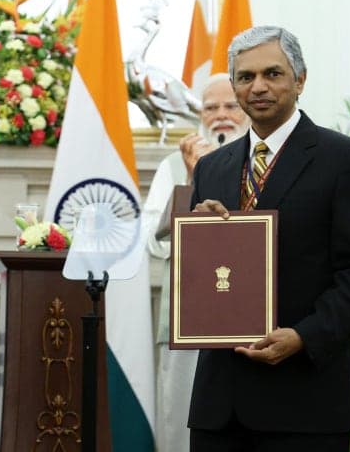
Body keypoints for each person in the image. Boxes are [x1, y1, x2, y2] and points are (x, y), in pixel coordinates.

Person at [187, 26, 350, 451]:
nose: (258, 87)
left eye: (272, 74)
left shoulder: (346, 160)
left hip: (304, 403)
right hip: (218, 408)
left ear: (300, 80)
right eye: (245, 77)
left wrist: (304, 336)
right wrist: (197, 231)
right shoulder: (212, 168)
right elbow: (205, 276)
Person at [143, 73, 249, 452]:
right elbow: (154, 244)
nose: (221, 115)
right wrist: (192, 179)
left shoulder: (267, 161)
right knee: (183, 426)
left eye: (230, 106)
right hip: (190, 318)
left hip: (255, 319)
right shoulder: (172, 164)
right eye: (210, 107)